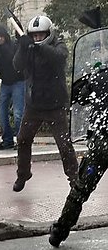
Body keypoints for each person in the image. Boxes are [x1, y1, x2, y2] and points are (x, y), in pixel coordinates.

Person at [12, 15, 78, 192]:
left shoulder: (58, 43)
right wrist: (22, 47)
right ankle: (23, 173)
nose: (37, 38)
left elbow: (59, 57)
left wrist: (38, 47)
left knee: (64, 144)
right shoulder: (29, 46)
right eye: (34, 35)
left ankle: (74, 177)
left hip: (54, 105)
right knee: (23, 139)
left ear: (48, 33)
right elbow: (17, 65)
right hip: (33, 105)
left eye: (41, 35)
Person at [48, 64, 108, 247]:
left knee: (80, 190)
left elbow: (76, 96)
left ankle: (60, 231)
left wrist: (91, 78)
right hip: (101, 143)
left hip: (101, 144)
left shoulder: (101, 75)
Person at [0, 25, 25, 150]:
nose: (0, 39)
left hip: (18, 82)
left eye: (1, 37)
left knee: (18, 114)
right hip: (5, 83)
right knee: (2, 113)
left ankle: (21, 140)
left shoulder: (12, 46)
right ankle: (7, 139)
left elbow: (12, 57)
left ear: (5, 37)